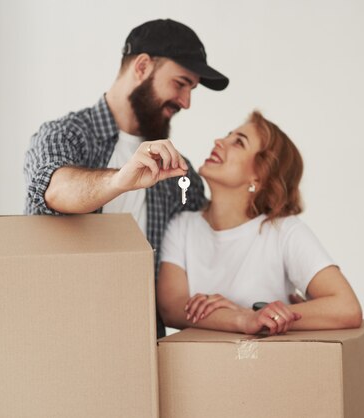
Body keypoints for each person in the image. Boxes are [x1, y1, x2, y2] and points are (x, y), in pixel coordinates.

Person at [23, 19, 229, 338]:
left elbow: (209, 246)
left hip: (144, 345)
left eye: (192, 89)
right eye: (180, 83)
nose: (186, 102)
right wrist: (122, 179)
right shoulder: (65, 135)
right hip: (60, 338)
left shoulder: (178, 174)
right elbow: (54, 189)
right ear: (143, 66)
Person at [157, 111, 363, 335]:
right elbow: (172, 308)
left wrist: (264, 316)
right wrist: (245, 318)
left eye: (238, 142)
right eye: (228, 135)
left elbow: (347, 308)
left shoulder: (283, 231)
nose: (219, 141)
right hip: (200, 368)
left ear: (259, 176)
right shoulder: (181, 226)